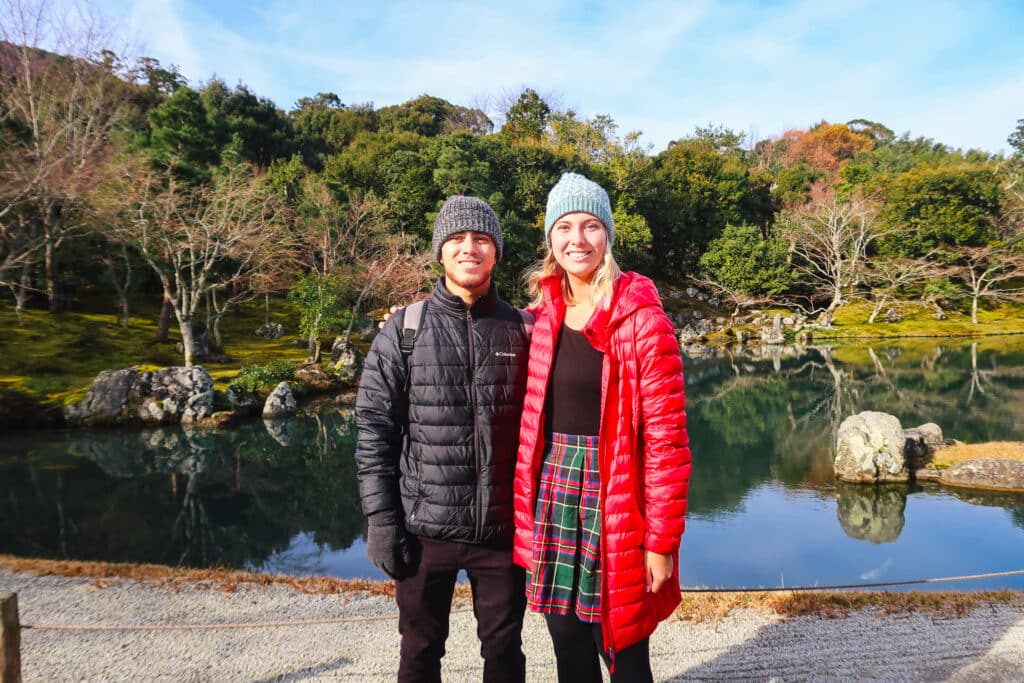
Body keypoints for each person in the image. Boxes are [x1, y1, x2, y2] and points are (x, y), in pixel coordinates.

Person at [513, 172, 691, 682]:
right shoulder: (540, 316)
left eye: (590, 226)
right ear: (550, 238)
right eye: (564, 227)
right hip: (553, 490)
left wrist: (661, 542)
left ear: (608, 235)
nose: (577, 240)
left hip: (616, 496)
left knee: (623, 648)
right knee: (567, 646)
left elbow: (668, 443)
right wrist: (407, 319)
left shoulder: (640, 318)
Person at [355, 195, 531, 683]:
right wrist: (382, 519)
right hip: (422, 527)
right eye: (456, 239)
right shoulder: (404, 329)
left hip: (501, 531)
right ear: (440, 251)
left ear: (496, 250)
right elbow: (374, 430)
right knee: (419, 650)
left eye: (480, 239)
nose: (468, 248)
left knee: (504, 652)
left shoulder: (524, 329)